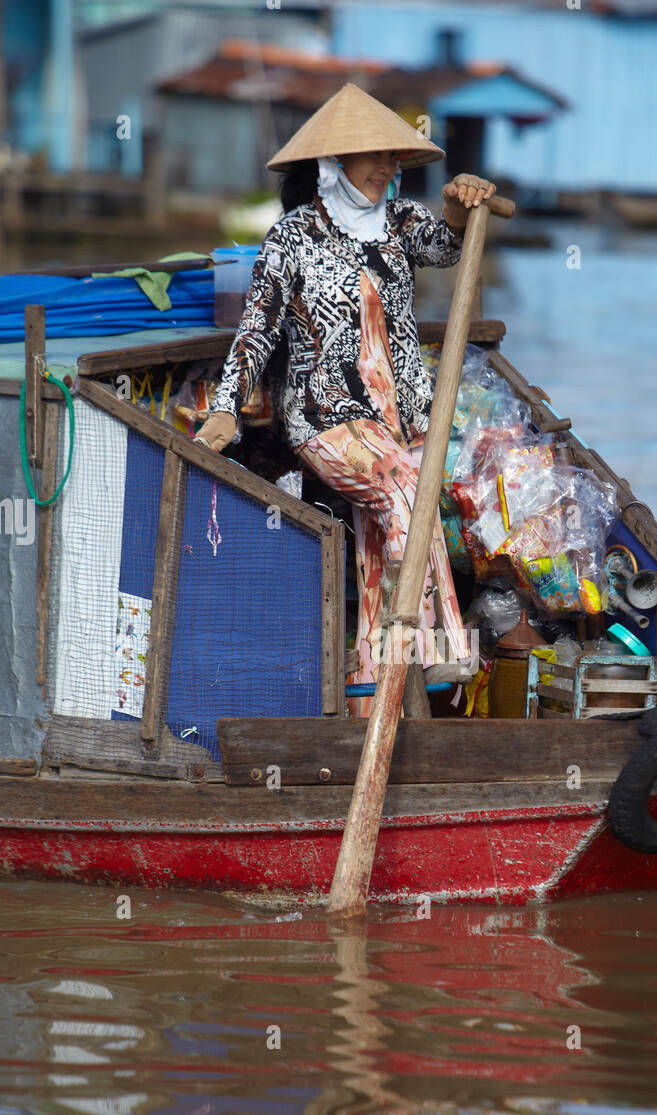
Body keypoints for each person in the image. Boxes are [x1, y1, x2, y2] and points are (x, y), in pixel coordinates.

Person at [196, 83, 495, 698]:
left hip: (399, 416)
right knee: (405, 490)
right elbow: (257, 329)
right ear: (334, 162)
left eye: (393, 158)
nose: (388, 168)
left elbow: (447, 245)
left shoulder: (402, 222)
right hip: (326, 417)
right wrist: (226, 408)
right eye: (375, 157)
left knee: (381, 548)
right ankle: (439, 648)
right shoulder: (292, 237)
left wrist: (461, 202)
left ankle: (371, 691)